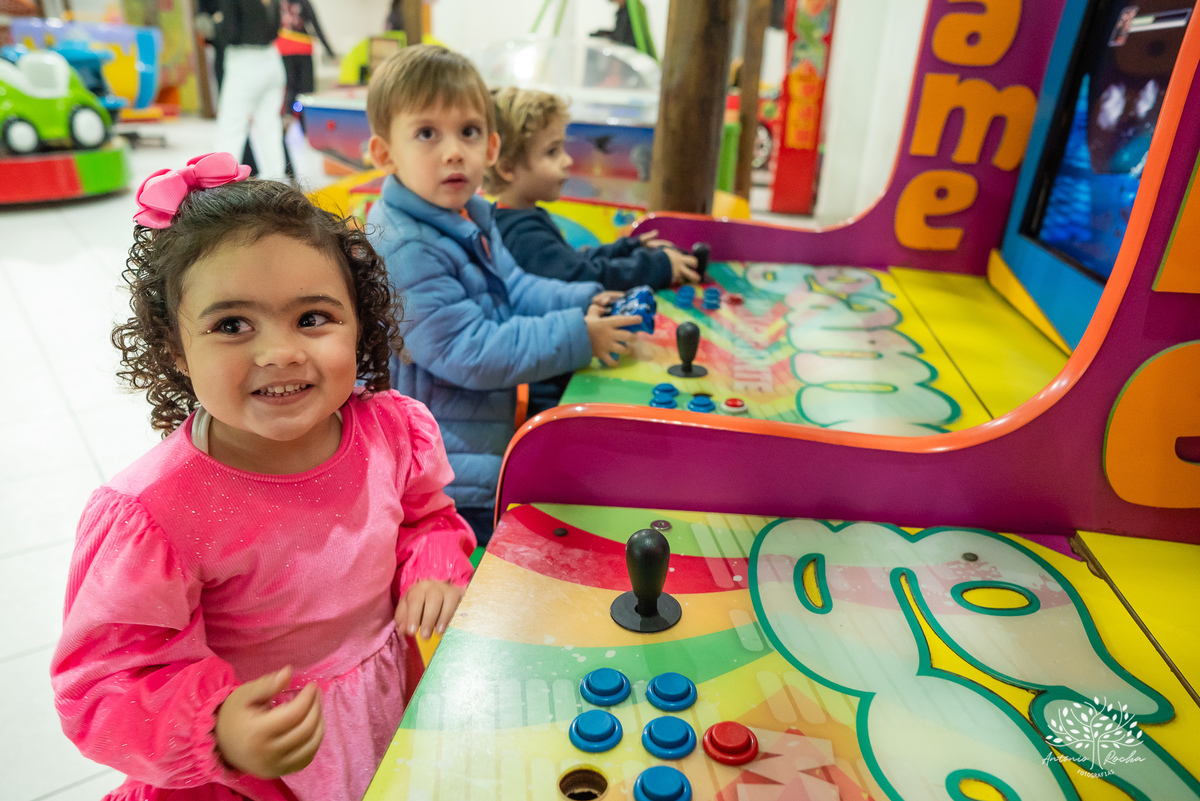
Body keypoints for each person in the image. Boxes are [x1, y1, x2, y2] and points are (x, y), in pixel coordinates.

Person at [50, 152, 476, 801]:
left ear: (357, 322)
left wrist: (435, 564)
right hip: (247, 773)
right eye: (231, 325)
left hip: (384, 710)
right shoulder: (154, 513)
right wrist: (216, 727)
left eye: (312, 317)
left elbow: (427, 517)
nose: (279, 351)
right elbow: (103, 684)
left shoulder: (390, 432)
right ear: (173, 346)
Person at [364, 45, 641, 546]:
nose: (454, 151)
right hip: (443, 469)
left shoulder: (466, 214)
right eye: (427, 133)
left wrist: (583, 300)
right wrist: (579, 337)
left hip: (473, 441)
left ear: (490, 147)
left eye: (468, 132)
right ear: (385, 154)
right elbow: (468, 350)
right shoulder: (405, 243)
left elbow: (515, 286)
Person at [487, 87, 699, 291]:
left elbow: (571, 261)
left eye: (563, 148)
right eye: (552, 152)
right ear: (507, 167)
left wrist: (625, 249)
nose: (568, 160)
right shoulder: (522, 235)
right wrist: (658, 267)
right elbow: (581, 277)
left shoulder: (519, 217)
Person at [213, 0, 288, 181]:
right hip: (271, 60)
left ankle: (221, 186)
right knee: (269, 128)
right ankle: (277, 187)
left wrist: (217, 23)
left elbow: (230, 32)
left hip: (244, 62)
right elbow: (276, 28)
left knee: (231, 128)